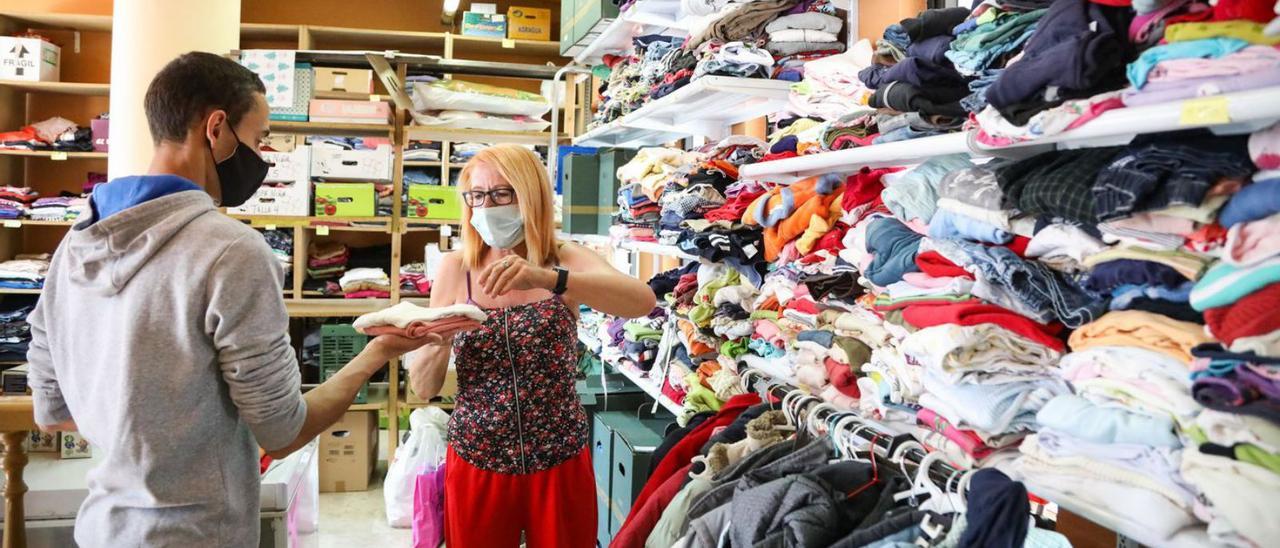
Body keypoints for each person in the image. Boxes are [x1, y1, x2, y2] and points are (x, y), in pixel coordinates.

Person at [25, 52, 442, 547]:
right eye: (259, 138)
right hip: (200, 532)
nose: (262, 156)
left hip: (104, 527)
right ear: (216, 128)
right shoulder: (231, 252)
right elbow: (284, 430)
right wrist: (376, 354)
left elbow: (51, 410)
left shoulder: (77, 242)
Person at [408, 144, 656, 547]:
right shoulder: (457, 268)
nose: (487, 206)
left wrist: (548, 278)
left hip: (559, 454)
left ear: (530, 196)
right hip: (478, 455)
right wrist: (440, 336)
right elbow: (423, 387)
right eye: (477, 195)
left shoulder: (564, 258)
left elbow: (641, 301)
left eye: (502, 193)